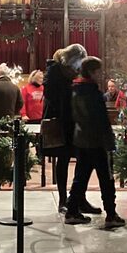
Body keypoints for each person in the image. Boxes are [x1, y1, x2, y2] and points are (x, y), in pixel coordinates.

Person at [65, 56, 125, 229]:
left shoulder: (76, 89)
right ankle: (111, 214)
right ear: (91, 72)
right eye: (98, 70)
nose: (101, 73)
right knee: (106, 178)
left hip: (82, 139)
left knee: (81, 177)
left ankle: (72, 211)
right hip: (97, 141)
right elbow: (100, 120)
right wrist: (109, 140)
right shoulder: (92, 92)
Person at [43, 44, 92, 214]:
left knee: (83, 160)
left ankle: (79, 198)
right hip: (61, 122)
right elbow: (52, 96)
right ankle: (63, 200)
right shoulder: (55, 72)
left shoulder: (73, 73)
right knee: (63, 160)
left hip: (74, 121)